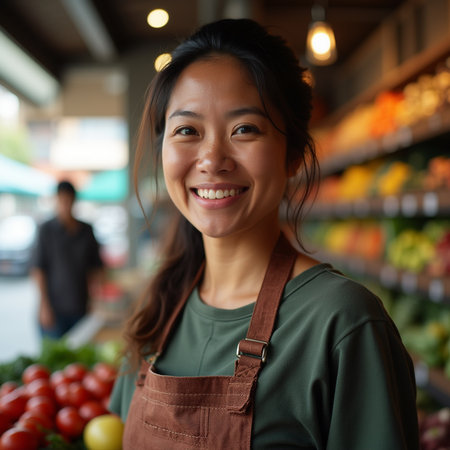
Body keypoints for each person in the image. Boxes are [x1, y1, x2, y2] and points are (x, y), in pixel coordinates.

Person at [109, 18, 419, 449]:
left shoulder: (343, 322)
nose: (212, 159)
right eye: (187, 131)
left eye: (245, 129)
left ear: (292, 154)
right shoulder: (159, 308)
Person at [32, 180, 104, 338]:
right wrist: (44, 305)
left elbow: (96, 269)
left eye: (69, 200)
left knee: (79, 357)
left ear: (74, 200)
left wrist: (95, 299)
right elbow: (38, 269)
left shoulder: (86, 230)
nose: (65, 204)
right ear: (56, 200)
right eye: (62, 200)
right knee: (53, 358)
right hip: (54, 308)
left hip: (81, 307)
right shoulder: (46, 230)